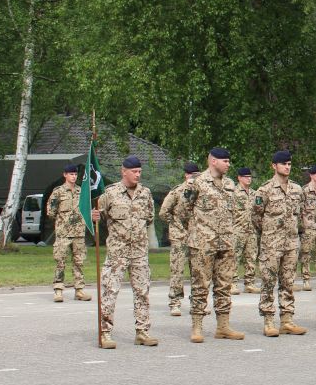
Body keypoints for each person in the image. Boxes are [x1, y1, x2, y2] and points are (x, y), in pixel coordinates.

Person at [179, 147, 246, 343]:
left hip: (225, 243)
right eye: (224, 160)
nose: (228, 164)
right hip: (202, 244)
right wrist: (197, 232)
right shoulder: (196, 183)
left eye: (228, 160)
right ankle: (197, 327)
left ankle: (223, 326)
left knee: (224, 286)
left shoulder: (230, 184)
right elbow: (183, 211)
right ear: (213, 161)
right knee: (200, 286)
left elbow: (234, 212)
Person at [92, 155, 157, 348]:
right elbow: (98, 215)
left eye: (139, 172)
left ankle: (142, 332)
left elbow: (150, 217)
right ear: (124, 172)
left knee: (142, 292)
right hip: (117, 254)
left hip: (139, 252)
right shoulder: (110, 193)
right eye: (134, 172)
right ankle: (105, 333)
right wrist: (93, 216)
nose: (137, 175)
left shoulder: (145, 193)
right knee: (109, 292)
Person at [251, 150, 308, 337]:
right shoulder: (264, 190)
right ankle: (268, 320)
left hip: (291, 243)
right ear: (274, 166)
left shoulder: (297, 190)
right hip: (271, 244)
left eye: (290, 164)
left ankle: (287, 320)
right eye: (284, 164)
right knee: (268, 282)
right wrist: (268, 234)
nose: (287, 167)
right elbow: (256, 217)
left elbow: (301, 215)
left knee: (288, 282)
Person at [159, 162, 198, 315]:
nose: (194, 178)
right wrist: (177, 224)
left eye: (197, 175)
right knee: (177, 270)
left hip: (196, 236)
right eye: (191, 175)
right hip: (179, 237)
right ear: (186, 175)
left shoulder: (202, 192)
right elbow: (163, 212)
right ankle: (174, 302)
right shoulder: (177, 192)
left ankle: (197, 302)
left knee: (198, 271)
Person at [50, 163, 90, 303]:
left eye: (75, 174)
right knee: (60, 262)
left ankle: (79, 290)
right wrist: (63, 221)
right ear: (65, 175)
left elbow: (86, 210)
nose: (73, 176)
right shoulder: (58, 192)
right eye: (71, 174)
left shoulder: (82, 191)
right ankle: (58, 291)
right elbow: (50, 211)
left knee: (79, 262)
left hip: (79, 233)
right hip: (63, 233)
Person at [298, 165, 316, 291]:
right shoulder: (304, 190)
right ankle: (306, 279)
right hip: (309, 226)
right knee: (306, 253)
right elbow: (299, 208)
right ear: (311, 175)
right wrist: (302, 224)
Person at [234, 167, 259, 294]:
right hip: (237, 230)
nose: (248, 178)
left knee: (251, 257)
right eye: (245, 176)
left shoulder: (255, 194)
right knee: (234, 257)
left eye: (250, 177)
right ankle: (232, 283)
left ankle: (249, 283)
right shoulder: (234, 193)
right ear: (239, 178)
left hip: (252, 231)